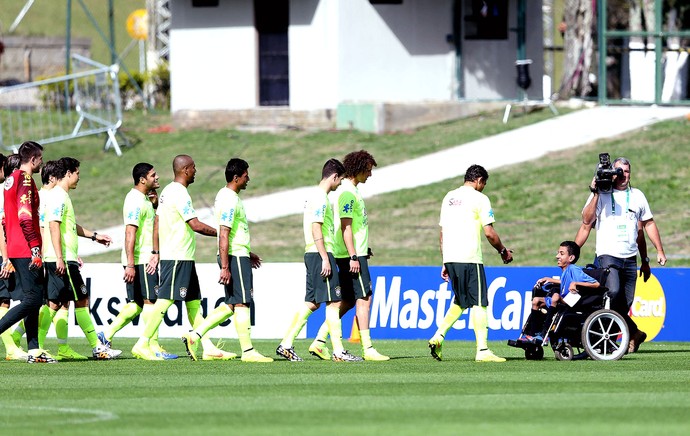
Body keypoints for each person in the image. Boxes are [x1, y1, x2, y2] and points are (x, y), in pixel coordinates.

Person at [132, 155, 229, 361]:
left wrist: (156, 252)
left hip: (182, 256)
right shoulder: (180, 193)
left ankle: (208, 346)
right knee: (165, 300)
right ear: (185, 170)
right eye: (194, 168)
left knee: (194, 302)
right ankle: (142, 342)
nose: (196, 171)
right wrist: (221, 234)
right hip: (178, 256)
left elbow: (157, 222)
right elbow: (195, 225)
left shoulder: (166, 191)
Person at [181, 158, 273, 363]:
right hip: (234, 257)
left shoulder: (226, 196)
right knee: (242, 304)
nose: (249, 178)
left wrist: (248, 253)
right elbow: (224, 233)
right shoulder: (230, 198)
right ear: (236, 177)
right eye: (246, 174)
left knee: (232, 304)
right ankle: (248, 351)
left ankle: (194, 336)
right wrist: (225, 266)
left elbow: (231, 234)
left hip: (238, 255)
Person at [275, 159, 362, 362]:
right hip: (321, 253)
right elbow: (316, 227)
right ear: (333, 177)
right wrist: (325, 257)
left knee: (312, 302)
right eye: (339, 180)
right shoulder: (320, 198)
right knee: (335, 302)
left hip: (312, 253)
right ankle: (339, 351)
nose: (339, 184)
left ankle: (286, 343)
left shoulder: (314, 197)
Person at [578, 156, 667, 353]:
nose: (623, 175)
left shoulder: (637, 195)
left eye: (627, 172)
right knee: (613, 293)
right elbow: (586, 219)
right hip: (607, 254)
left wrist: (655, 253)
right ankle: (611, 339)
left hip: (630, 258)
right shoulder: (602, 193)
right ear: (611, 172)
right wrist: (595, 192)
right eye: (619, 171)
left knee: (625, 302)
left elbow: (647, 226)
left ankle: (632, 334)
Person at [309, 150, 389, 361]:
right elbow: (345, 227)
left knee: (348, 300)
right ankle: (368, 348)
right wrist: (354, 255)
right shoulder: (347, 192)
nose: (370, 175)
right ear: (360, 168)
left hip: (354, 252)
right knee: (364, 298)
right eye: (369, 170)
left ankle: (319, 341)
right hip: (351, 255)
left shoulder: (350, 190)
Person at [428, 164, 513, 362]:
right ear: (479, 180)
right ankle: (482, 350)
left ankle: (438, 337)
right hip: (470, 257)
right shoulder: (480, 198)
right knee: (479, 303)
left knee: (460, 301)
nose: (483, 187)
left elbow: (442, 232)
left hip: (450, 257)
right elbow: (489, 233)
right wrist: (503, 251)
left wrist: (444, 261)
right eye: (484, 184)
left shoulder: (448, 197)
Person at [96, 163, 177, 359]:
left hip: (141, 259)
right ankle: (152, 346)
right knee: (152, 301)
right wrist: (131, 264)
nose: (157, 178)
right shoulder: (134, 200)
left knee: (138, 303)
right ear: (142, 179)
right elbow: (129, 233)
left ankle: (106, 334)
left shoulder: (145, 199)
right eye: (153, 175)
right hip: (140, 260)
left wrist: (155, 203)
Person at [43, 157, 121, 360]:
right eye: (77, 173)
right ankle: (98, 347)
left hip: (60, 258)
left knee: (54, 303)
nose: (79, 177)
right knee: (81, 300)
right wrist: (60, 257)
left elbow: (69, 226)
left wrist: (95, 236)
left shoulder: (61, 196)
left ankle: (36, 348)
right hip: (63, 259)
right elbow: (53, 225)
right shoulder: (59, 196)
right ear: (68, 173)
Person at [0, 141, 55, 363]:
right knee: (34, 300)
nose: (41, 162)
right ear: (33, 159)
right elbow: (24, 215)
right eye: (40, 158)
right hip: (25, 248)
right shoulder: (24, 178)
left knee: (30, 298)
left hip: (14, 246)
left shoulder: (9, 179)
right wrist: (35, 248)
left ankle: (34, 350)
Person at [522, 241, 599, 343]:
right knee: (536, 300)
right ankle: (532, 334)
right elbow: (564, 282)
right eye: (558, 253)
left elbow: (596, 284)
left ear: (571, 258)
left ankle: (544, 335)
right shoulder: (566, 270)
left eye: (561, 254)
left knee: (555, 296)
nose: (557, 256)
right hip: (563, 301)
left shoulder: (574, 270)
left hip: (572, 303)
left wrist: (576, 283)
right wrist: (549, 279)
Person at [0, 153, 30, 361]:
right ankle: (11, 348)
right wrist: (6, 257)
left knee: (4, 300)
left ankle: (13, 345)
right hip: (4, 254)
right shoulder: (2, 191)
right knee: (3, 300)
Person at [36, 160, 62, 350]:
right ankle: (20, 336)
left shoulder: (44, 195)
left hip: (49, 255)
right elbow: (43, 229)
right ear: (52, 178)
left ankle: (63, 346)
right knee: (49, 301)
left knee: (60, 301)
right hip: (47, 257)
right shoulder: (45, 197)